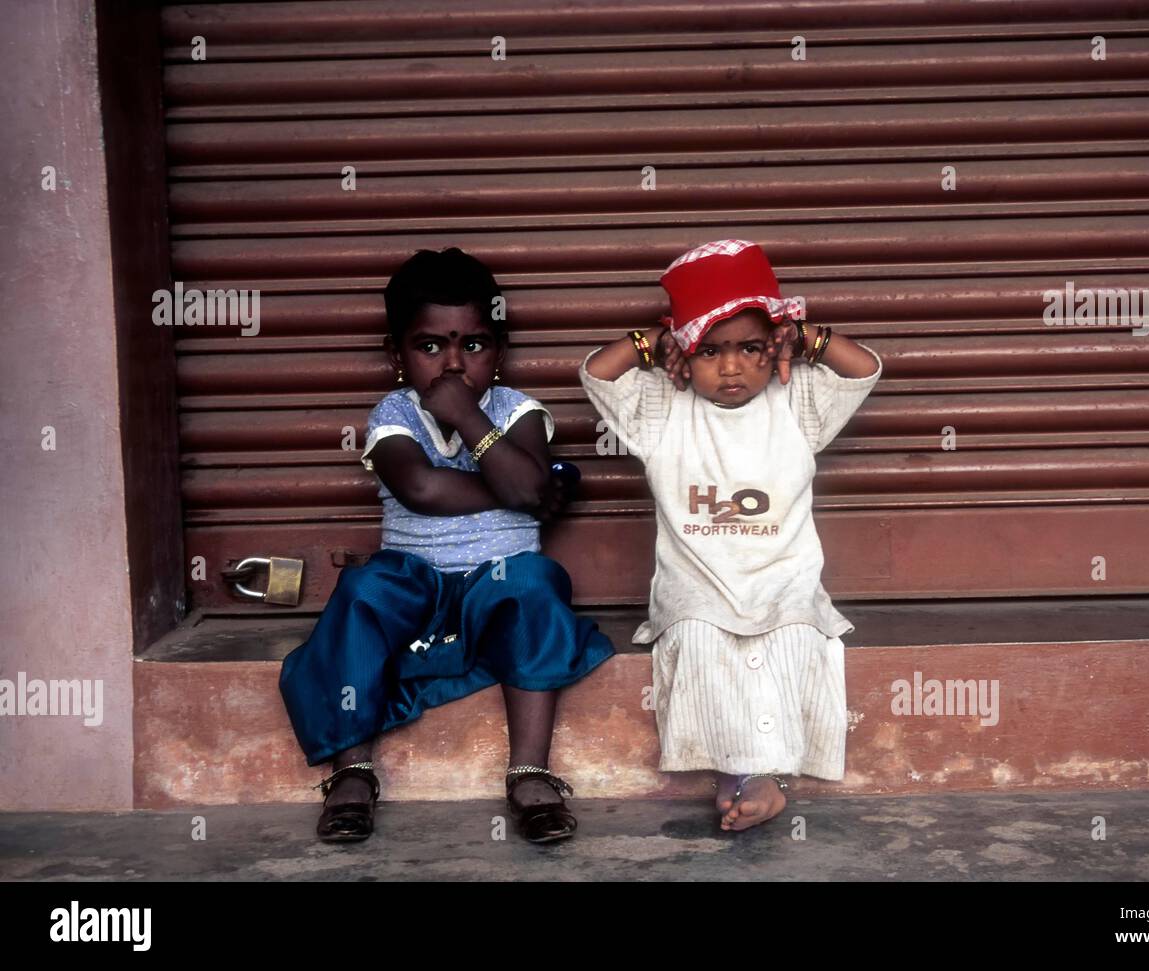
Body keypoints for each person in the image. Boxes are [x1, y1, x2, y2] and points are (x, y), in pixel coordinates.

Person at [280, 247, 614, 844]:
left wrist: (470, 418)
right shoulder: (393, 414)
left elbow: (524, 481)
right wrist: (526, 490)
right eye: (430, 347)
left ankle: (530, 772)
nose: (453, 364)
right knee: (360, 590)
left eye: (474, 345)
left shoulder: (517, 412)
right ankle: (352, 771)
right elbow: (421, 487)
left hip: (500, 578)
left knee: (535, 583)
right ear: (397, 356)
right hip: (413, 579)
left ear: (500, 352)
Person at [579, 239, 883, 831]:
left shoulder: (796, 404)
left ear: (775, 347)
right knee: (699, 640)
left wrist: (807, 337)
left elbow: (864, 367)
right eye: (711, 350)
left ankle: (758, 778)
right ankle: (739, 777)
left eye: (750, 347)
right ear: (684, 356)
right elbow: (597, 372)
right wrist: (650, 343)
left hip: (782, 579)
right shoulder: (664, 409)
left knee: (795, 636)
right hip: (698, 585)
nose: (732, 366)